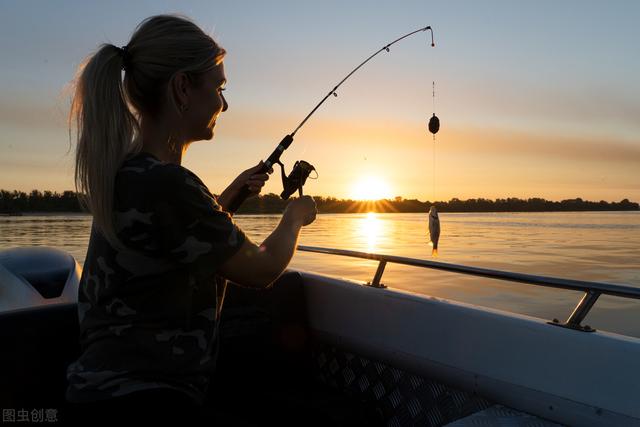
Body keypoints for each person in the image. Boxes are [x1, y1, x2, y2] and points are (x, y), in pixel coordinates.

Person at [63, 14, 317, 425]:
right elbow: (263, 269)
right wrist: (294, 218)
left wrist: (226, 201)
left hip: (98, 394)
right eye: (218, 88)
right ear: (182, 88)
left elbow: (172, 242)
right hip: (147, 402)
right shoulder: (169, 185)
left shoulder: (126, 172)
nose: (223, 103)